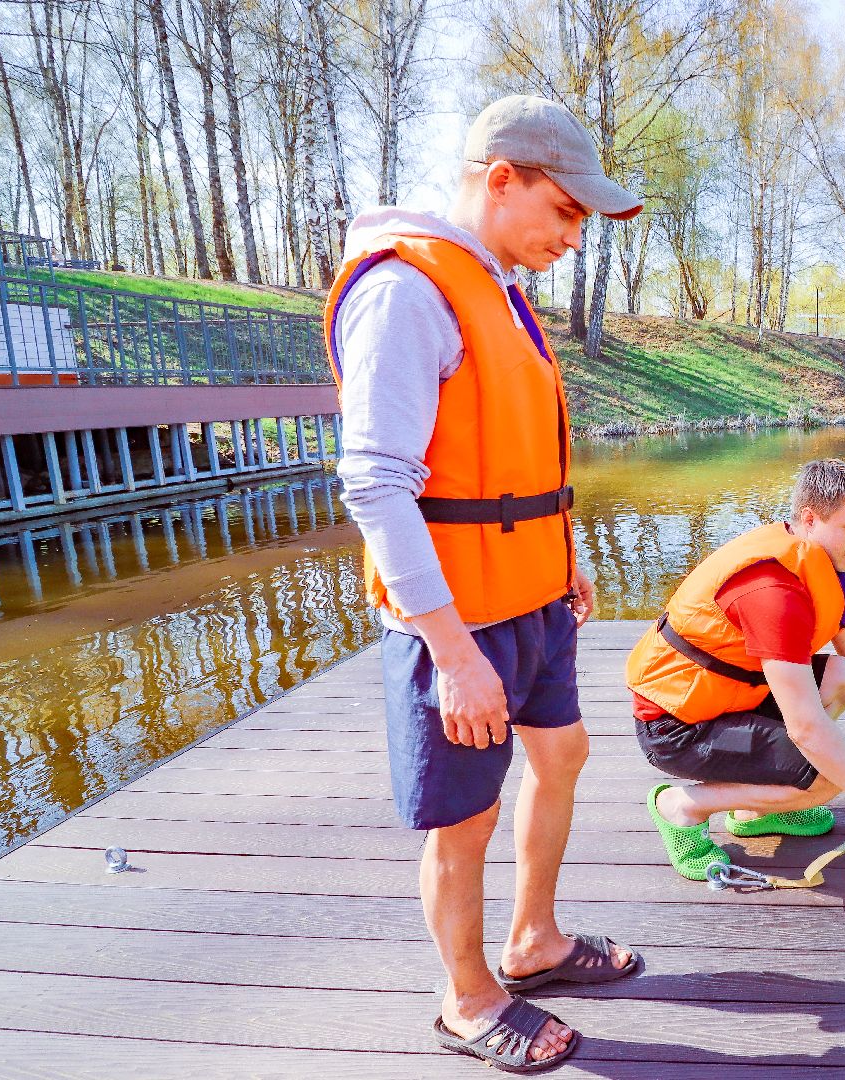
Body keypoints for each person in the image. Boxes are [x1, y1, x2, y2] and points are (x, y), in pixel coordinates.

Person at [327, 95, 643, 1073]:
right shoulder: (408, 290)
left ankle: (533, 942)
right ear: (500, 177)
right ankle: (468, 998)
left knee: (564, 754)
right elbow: (375, 483)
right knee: (464, 821)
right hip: (459, 626)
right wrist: (454, 656)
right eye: (565, 212)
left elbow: (514, 457)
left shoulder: (498, 287)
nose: (571, 236)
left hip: (537, 604)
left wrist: (566, 550)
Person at [627, 458, 845, 879]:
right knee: (827, 780)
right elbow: (806, 729)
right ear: (809, 519)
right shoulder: (773, 591)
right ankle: (682, 806)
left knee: (844, 674)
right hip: (677, 727)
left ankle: (753, 811)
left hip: (733, 699)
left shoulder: (818, 561)